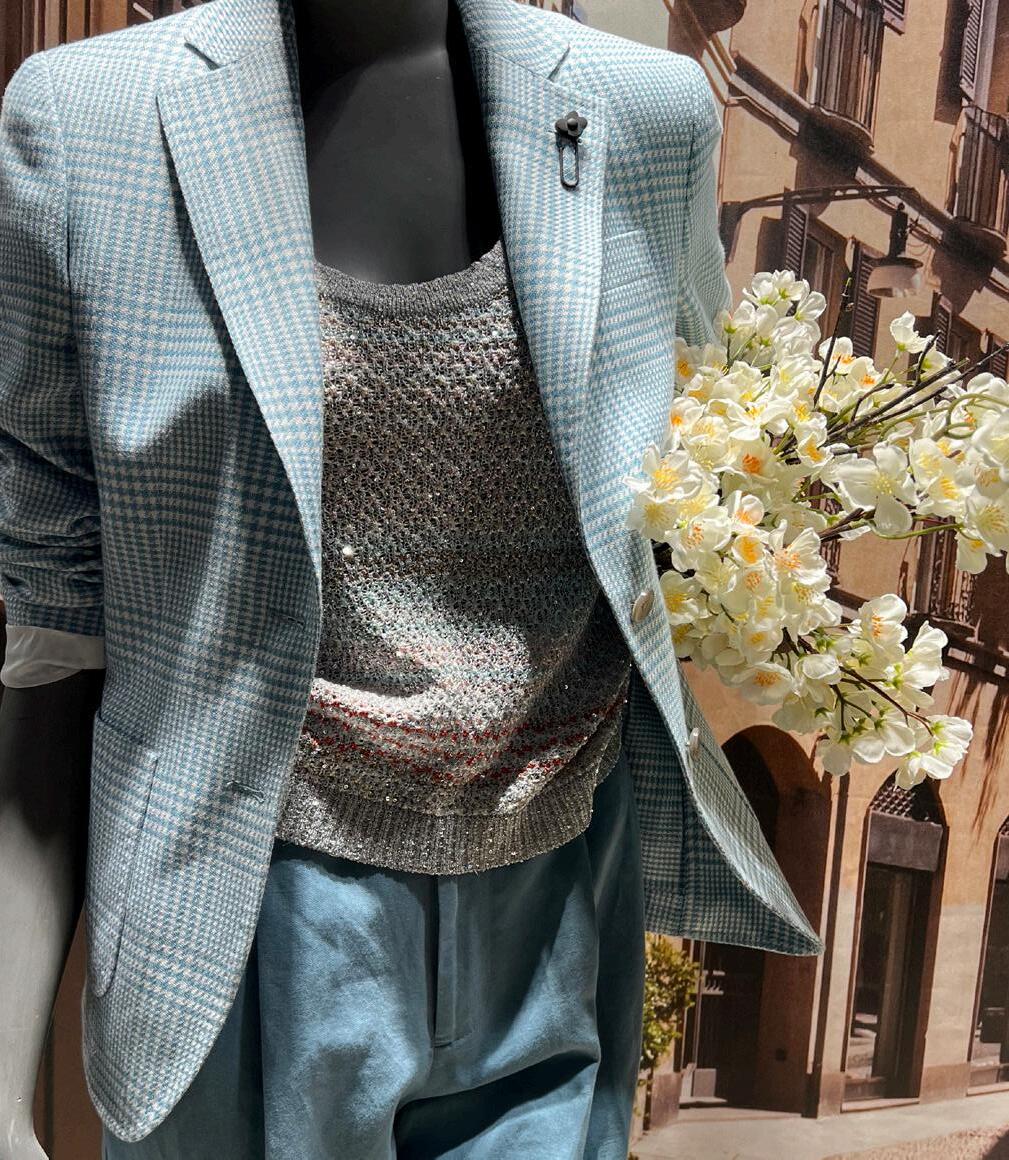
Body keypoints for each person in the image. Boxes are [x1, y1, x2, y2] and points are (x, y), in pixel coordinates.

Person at [0, 0, 823, 1156]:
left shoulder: (649, 115)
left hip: (556, 897)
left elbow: (690, 455)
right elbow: (55, 622)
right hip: (240, 915)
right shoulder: (89, 122)